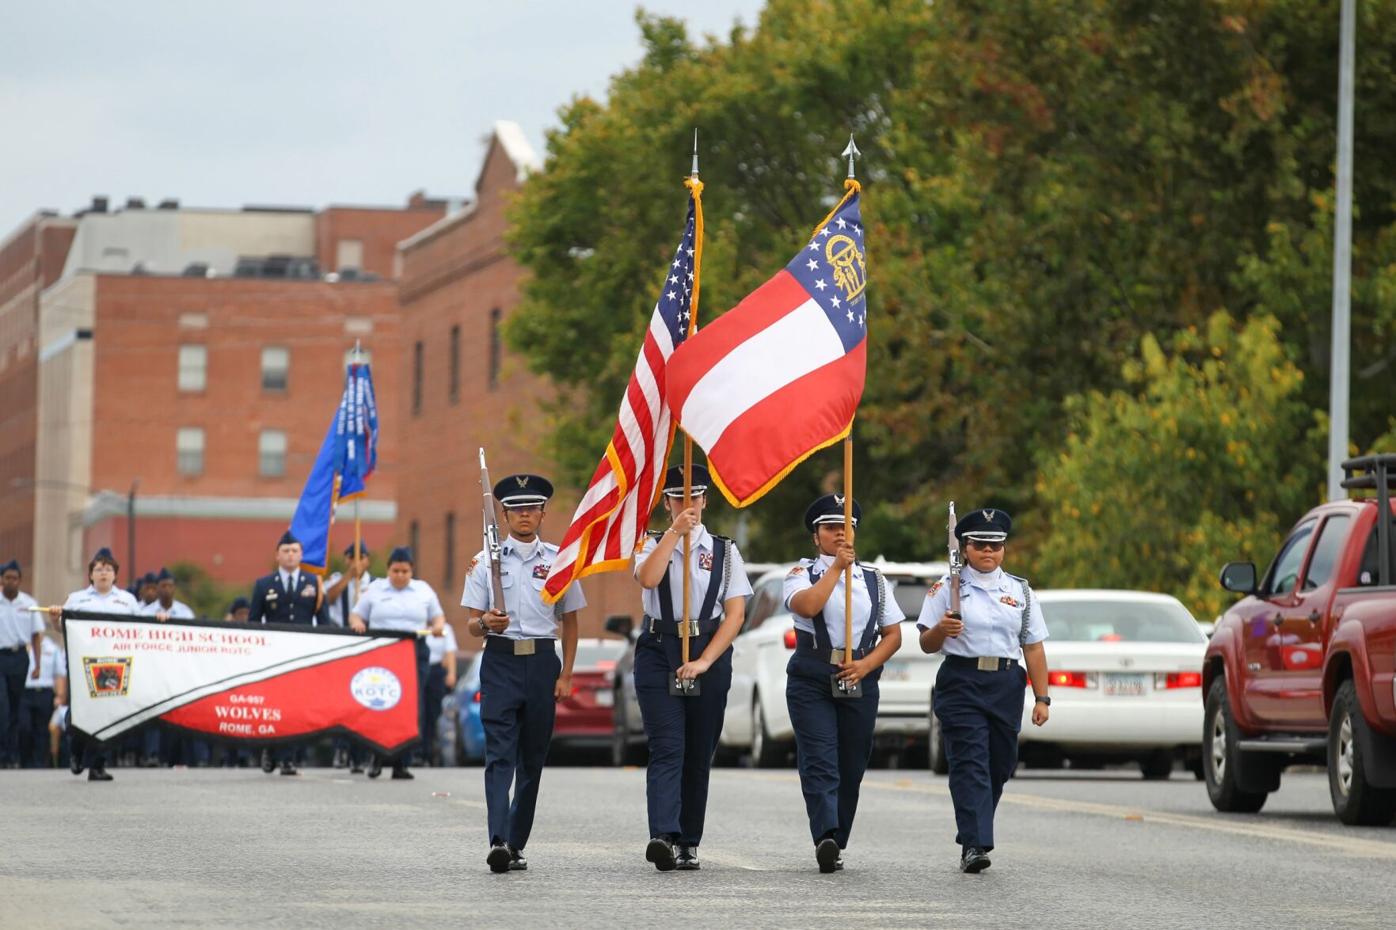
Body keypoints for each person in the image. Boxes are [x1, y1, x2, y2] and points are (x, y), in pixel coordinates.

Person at [632, 464, 753, 872]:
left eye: (696, 496)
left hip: (708, 648)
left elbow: (735, 614)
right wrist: (673, 535)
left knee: (698, 751)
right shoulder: (649, 543)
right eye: (680, 497)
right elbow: (648, 580)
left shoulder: (725, 551)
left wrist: (704, 660)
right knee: (667, 746)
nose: (689, 504)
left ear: (705, 499)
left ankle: (688, 840)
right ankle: (663, 835)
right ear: (667, 503)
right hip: (658, 647)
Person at [917, 508, 1051, 873]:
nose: (988, 551)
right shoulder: (947, 588)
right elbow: (926, 643)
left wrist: (1042, 697)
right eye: (979, 544)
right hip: (961, 680)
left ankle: (974, 828)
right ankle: (975, 843)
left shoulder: (1020, 591)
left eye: (996, 545)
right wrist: (942, 630)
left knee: (999, 764)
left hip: (1006, 682)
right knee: (970, 762)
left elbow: (1033, 646)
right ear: (964, 547)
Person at [462, 473, 584, 874]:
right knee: (499, 756)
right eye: (516, 508)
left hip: (542, 663)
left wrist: (566, 674)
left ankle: (516, 842)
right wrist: (487, 624)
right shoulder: (486, 561)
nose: (525, 514)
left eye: (532, 508)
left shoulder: (558, 560)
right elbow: (471, 624)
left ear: (543, 512)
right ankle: (497, 838)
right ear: (503, 513)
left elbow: (570, 621)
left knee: (532, 760)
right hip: (500, 661)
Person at [784, 494, 904, 873]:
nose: (839, 533)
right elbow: (807, 606)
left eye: (846, 527)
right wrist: (836, 568)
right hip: (813, 674)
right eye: (830, 528)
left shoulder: (873, 580)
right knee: (820, 759)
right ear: (815, 536)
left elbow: (893, 634)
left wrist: (867, 665)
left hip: (859, 678)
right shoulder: (801, 573)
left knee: (851, 762)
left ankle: (838, 838)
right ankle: (825, 834)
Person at [348, 546, 444, 780]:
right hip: (383, 652)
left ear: (412, 571)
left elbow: (438, 616)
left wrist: (438, 626)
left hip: (414, 651)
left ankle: (403, 761)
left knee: (411, 706)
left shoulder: (423, 590)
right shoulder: (375, 589)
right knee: (381, 703)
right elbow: (356, 613)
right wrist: (358, 623)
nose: (400, 575)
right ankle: (376, 757)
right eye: (395, 570)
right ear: (388, 569)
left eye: (405, 571)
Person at [49, 547, 140, 781]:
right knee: (80, 711)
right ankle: (77, 750)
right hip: (82, 663)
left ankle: (98, 764)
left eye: (108, 569)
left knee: (107, 713)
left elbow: (141, 630)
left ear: (115, 575)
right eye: (98, 569)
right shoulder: (77, 599)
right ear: (90, 574)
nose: (103, 573)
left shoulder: (127, 601)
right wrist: (54, 618)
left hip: (114, 664)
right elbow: (61, 628)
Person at [248, 530, 329, 775]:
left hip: (303, 654)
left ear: (301, 555)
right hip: (274, 654)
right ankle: (272, 749)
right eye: (286, 551)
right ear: (277, 555)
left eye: (294, 551)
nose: (290, 555)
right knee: (275, 706)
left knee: (297, 708)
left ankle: (287, 757)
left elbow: (323, 621)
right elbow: (253, 622)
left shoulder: (313, 583)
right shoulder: (264, 585)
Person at [327, 544, 374, 771]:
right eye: (352, 557)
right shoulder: (338, 579)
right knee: (340, 700)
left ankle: (361, 752)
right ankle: (340, 748)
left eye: (361, 557)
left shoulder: (375, 585)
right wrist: (349, 577)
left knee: (362, 698)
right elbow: (328, 598)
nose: (357, 561)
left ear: (368, 560)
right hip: (341, 643)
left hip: (366, 645)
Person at [1, 560, 43, 768]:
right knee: (2, 706)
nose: (11, 582)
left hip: (19, 658)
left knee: (15, 708)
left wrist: (38, 664)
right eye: (7, 578)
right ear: (1, 580)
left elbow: (36, 636)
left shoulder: (29, 603)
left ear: (20, 581)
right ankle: (2, 753)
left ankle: (11, 754)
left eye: (14, 578)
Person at [22, 633, 66, 767]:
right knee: (25, 727)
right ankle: (25, 762)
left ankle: (40, 763)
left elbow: (59, 674)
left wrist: (60, 695)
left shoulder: (51, 648)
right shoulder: (22, 645)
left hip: (44, 692)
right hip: (25, 692)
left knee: (42, 730)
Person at [424, 620, 459, 766]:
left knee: (434, 713)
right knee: (419, 712)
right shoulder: (416, 625)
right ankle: (418, 752)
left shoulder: (445, 628)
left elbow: (450, 651)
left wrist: (451, 673)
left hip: (436, 671)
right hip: (416, 667)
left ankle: (431, 752)